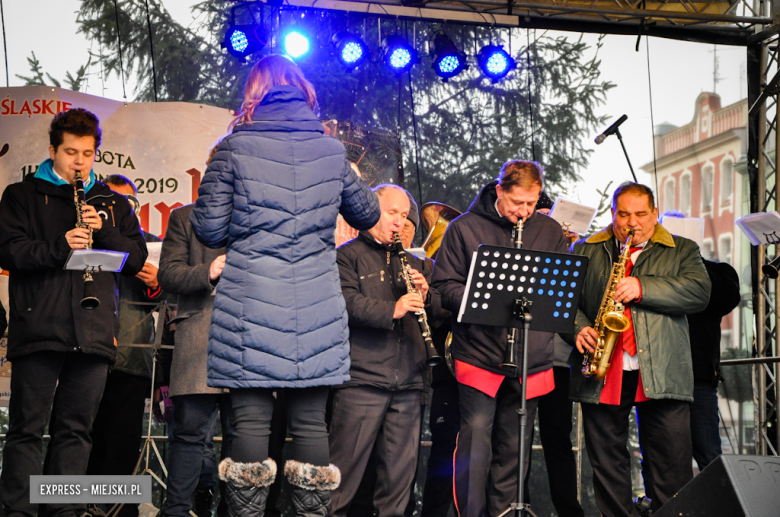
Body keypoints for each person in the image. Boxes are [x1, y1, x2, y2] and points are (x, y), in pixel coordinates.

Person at [190, 54, 380, 517]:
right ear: (303, 93)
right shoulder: (333, 152)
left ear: (254, 95)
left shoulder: (234, 149)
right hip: (316, 308)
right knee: (311, 421)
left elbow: (209, 231)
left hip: (248, 308)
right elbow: (370, 216)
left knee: (250, 420)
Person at [0, 108, 148, 517]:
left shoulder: (112, 203)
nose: (79, 162)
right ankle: (19, 511)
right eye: (70, 152)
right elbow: (9, 250)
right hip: (40, 328)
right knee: (27, 430)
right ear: (52, 150)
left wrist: (103, 230)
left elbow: (135, 258)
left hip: (94, 332)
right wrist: (60, 244)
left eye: (87, 153)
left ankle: (62, 511)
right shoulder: (21, 195)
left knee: (76, 431)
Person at [431, 160, 569, 517]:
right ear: (499, 192)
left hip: (531, 355)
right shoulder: (464, 228)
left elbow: (558, 292)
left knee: (516, 444)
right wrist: (485, 300)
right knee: (476, 439)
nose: (524, 212)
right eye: (517, 203)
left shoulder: (550, 230)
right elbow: (443, 286)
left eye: (531, 203)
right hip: (479, 351)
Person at [568, 183, 711, 517]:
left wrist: (643, 286)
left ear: (655, 214)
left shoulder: (682, 249)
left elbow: (699, 293)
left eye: (640, 214)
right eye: (623, 214)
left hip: (661, 371)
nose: (631, 222)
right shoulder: (584, 249)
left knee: (671, 465)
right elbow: (566, 303)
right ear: (613, 214)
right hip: (603, 368)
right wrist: (578, 329)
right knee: (606, 464)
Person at [330, 185, 441, 517]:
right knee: (339, 483)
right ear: (369, 211)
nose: (398, 222)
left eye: (404, 215)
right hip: (362, 381)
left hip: (409, 384)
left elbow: (442, 316)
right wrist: (393, 308)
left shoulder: (417, 262)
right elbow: (345, 303)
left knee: (397, 489)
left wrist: (429, 295)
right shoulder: (345, 255)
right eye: (392, 213)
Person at [85, 174, 165, 517]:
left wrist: (157, 283)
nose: (115, 211)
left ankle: (119, 512)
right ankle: (76, 507)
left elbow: (172, 297)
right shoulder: (79, 238)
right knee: (79, 443)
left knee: (122, 447)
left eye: (125, 203)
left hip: (131, 356)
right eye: (108, 204)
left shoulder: (149, 244)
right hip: (82, 355)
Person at [158, 203, 232, 517]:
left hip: (253, 339)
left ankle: (236, 511)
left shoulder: (262, 210)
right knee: (188, 433)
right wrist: (209, 271)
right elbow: (168, 274)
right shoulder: (184, 216)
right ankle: (175, 511)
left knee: (246, 437)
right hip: (198, 334)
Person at [659, 211, 741, 471]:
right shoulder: (655, 273)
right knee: (661, 457)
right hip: (658, 379)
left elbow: (726, 299)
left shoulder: (717, 271)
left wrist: (691, 261)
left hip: (699, 379)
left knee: (709, 456)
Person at [531, 192, 585, 517]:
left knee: (558, 438)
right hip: (524, 358)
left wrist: (571, 250)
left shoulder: (571, 249)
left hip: (559, 361)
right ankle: (512, 504)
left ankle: (569, 510)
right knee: (515, 438)